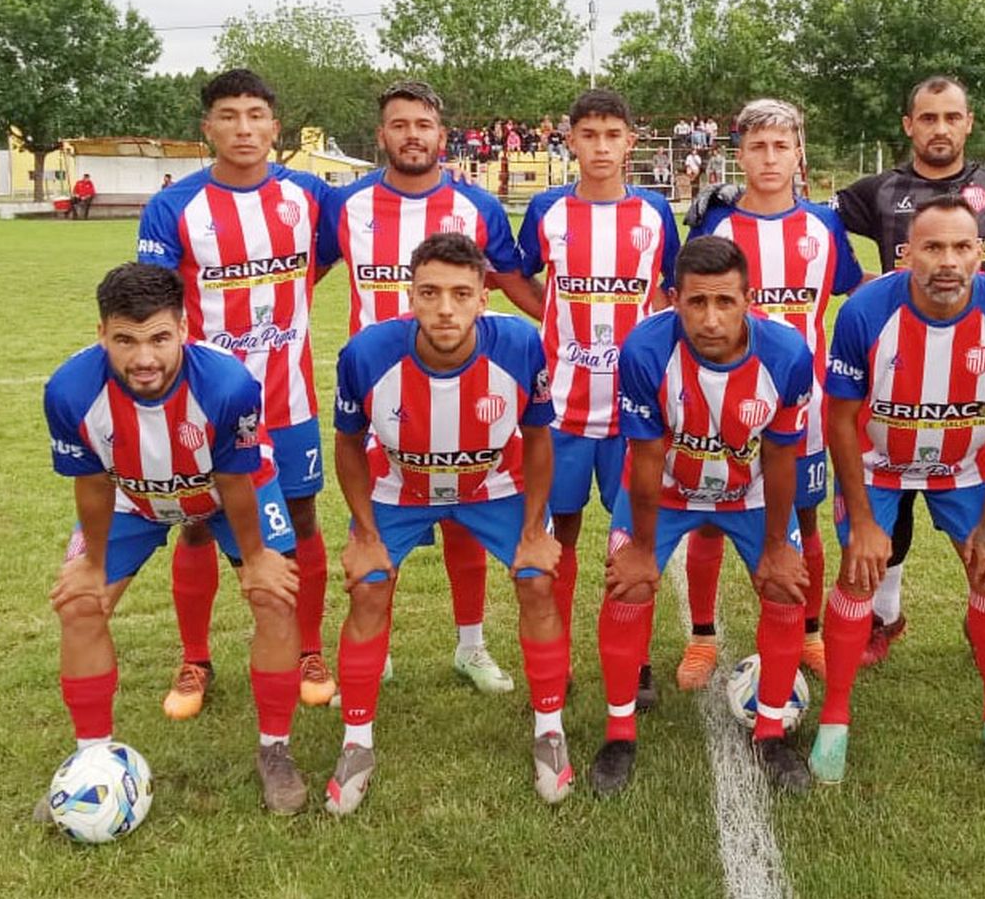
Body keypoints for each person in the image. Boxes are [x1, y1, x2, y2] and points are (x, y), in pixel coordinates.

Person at [42, 262, 307, 814]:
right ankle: (92, 761)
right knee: (80, 605)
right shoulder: (68, 391)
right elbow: (91, 483)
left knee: (275, 598)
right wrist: (90, 563)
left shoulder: (228, 385)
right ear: (101, 335)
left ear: (184, 329)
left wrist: (256, 558)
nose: (143, 358)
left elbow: (235, 477)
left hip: (225, 490)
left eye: (159, 338)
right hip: (127, 495)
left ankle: (275, 751)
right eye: (125, 341)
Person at [326, 232, 568, 811]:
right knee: (367, 590)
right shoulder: (365, 354)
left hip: (494, 484)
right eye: (429, 293)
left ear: (485, 297)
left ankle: (550, 731)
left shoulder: (520, 345)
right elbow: (348, 445)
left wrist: (534, 530)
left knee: (537, 583)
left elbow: (537, 440)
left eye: (462, 294)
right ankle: (357, 742)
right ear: (409, 295)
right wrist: (363, 534)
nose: (444, 309)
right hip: (399, 487)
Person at [811, 195, 985, 784]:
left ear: (981, 254)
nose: (948, 261)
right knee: (858, 572)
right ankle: (835, 719)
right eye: (933, 247)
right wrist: (864, 521)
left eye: (962, 247)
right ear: (906, 252)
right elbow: (840, 418)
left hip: (964, 468)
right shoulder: (865, 312)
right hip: (877, 463)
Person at [137, 69, 338, 719]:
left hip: (291, 401)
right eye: (229, 115)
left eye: (256, 115)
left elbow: (330, 256)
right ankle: (195, 658)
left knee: (302, 520)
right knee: (197, 523)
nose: (244, 128)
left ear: (275, 127)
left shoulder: (309, 196)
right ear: (208, 128)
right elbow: (156, 305)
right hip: (206, 406)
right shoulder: (174, 208)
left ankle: (309, 648)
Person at [323, 79, 530, 694]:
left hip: (468, 387)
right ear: (381, 134)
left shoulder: (477, 208)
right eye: (399, 124)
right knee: (381, 524)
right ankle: (374, 650)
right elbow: (298, 276)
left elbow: (512, 283)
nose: (412, 135)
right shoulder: (347, 206)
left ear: (442, 135)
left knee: (464, 521)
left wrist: (565, 325)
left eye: (423, 124)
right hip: (381, 395)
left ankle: (471, 647)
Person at [589, 235, 815, 795]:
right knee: (628, 588)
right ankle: (620, 733)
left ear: (748, 299)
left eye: (725, 302)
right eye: (696, 303)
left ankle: (770, 734)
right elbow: (643, 457)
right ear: (673, 299)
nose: (711, 319)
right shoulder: (644, 350)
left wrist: (778, 546)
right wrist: (640, 550)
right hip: (663, 488)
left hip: (753, 489)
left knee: (786, 590)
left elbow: (782, 457)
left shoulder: (786, 353)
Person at [830, 75, 985, 666]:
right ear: (908, 125)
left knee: (970, 498)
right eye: (928, 117)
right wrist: (857, 282)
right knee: (892, 507)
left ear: (968, 123)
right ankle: (884, 615)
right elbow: (810, 220)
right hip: (898, 366)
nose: (940, 128)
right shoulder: (880, 189)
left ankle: (981, 620)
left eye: (952, 116)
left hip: (973, 365)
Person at [494, 88, 680, 706]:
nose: (601, 147)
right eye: (588, 135)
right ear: (570, 141)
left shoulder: (655, 213)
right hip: (564, 408)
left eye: (612, 135)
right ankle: (562, 655)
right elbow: (515, 274)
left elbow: (672, 291)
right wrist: (547, 320)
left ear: (631, 142)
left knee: (632, 535)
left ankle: (640, 659)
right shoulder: (547, 210)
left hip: (636, 410)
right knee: (561, 534)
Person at [679, 98, 865, 689]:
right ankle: (703, 636)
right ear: (740, 154)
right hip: (720, 404)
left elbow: (850, 296)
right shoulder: (719, 225)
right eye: (757, 146)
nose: (769, 157)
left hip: (802, 408)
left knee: (804, 523)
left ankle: (808, 628)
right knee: (710, 519)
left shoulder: (823, 226)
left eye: (781, 146)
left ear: (798, 154)